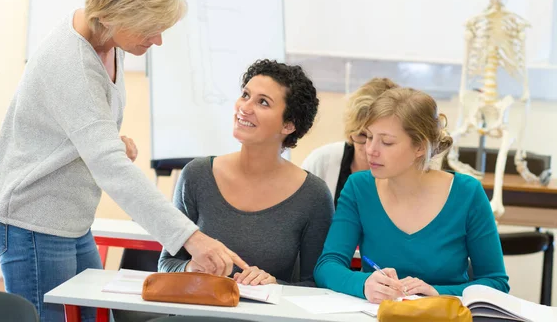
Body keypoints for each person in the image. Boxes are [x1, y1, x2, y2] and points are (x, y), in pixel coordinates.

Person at [0, 0, 246, 322]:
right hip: (33, 221)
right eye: (151, 28)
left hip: (70, 218)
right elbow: (112, 170)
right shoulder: (71, 63)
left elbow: (76, 123)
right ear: (115, 13)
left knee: (95, 317)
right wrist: (193, 238)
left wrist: (101, 137)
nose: (157, 41)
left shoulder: (109, 40)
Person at [314, 87, 509, 303]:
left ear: (420, 147)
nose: (371, 149)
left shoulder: (467, 193)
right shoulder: (359, 187)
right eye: (368, 137)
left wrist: (437, 292)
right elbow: (327, 266)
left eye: (386, 142)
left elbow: (496, 282)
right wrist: (364, 284)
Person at [159, 59, 334, 285]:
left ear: (288, 125)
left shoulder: (313, 195)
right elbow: (166, 264)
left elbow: (316, 285)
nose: (245, 107)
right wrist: (193, 267)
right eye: (245, 95)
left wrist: (274, 285)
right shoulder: (196, 175)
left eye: (263, 102)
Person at [302, 78, 398, 206]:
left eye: (384, 140)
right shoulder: (321, 162)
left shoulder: (407, 177)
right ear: (350, 131)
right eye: (361, 135)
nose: (369, 148)